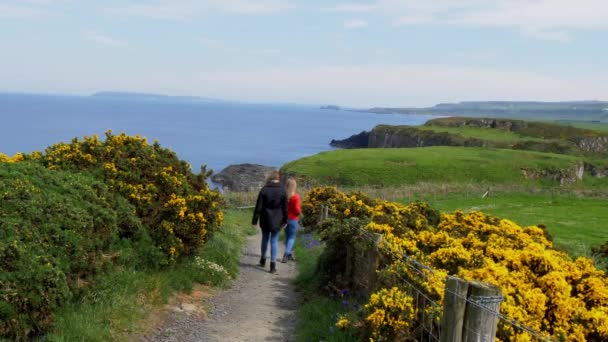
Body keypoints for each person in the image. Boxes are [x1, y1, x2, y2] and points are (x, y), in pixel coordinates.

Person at [252, 170, 287, 273]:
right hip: (277, 220)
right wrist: (285, 220)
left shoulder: (264, 190)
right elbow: (285, 208)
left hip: (265, 218)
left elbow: (258, 207)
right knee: (274, 241)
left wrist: (254, 220)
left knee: (265, 239)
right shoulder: (283, 190)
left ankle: (263, 260)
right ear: (278, 179)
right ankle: (272, 265)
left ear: (270, 179)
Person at [282, 177, 300, 263]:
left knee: (287, 237)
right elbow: (297, 210)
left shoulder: (283, 196)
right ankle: (286, 254)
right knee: (292, 238)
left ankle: (289, 255)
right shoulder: (296, 197)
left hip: (284, 219)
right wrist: (299, 212)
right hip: (293, 219)